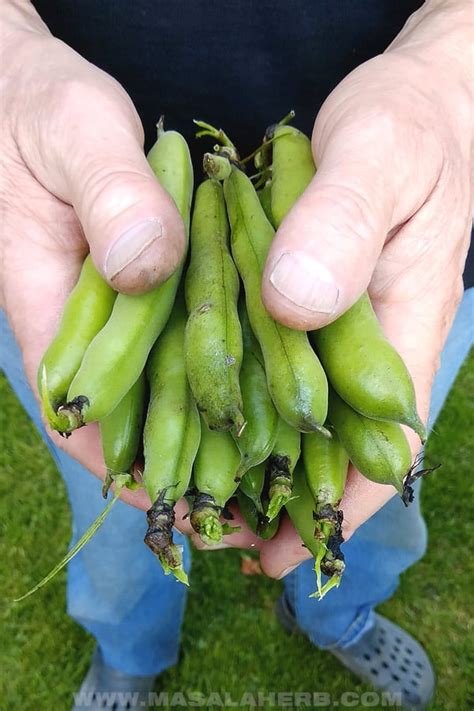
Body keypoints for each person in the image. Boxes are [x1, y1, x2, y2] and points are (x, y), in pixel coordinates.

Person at [1, 1, 472, 709]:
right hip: (68, 211)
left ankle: (339, 612)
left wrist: (453, 58)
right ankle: (129, 651)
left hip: (396, 217)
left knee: (373, 481)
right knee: (114, 487)